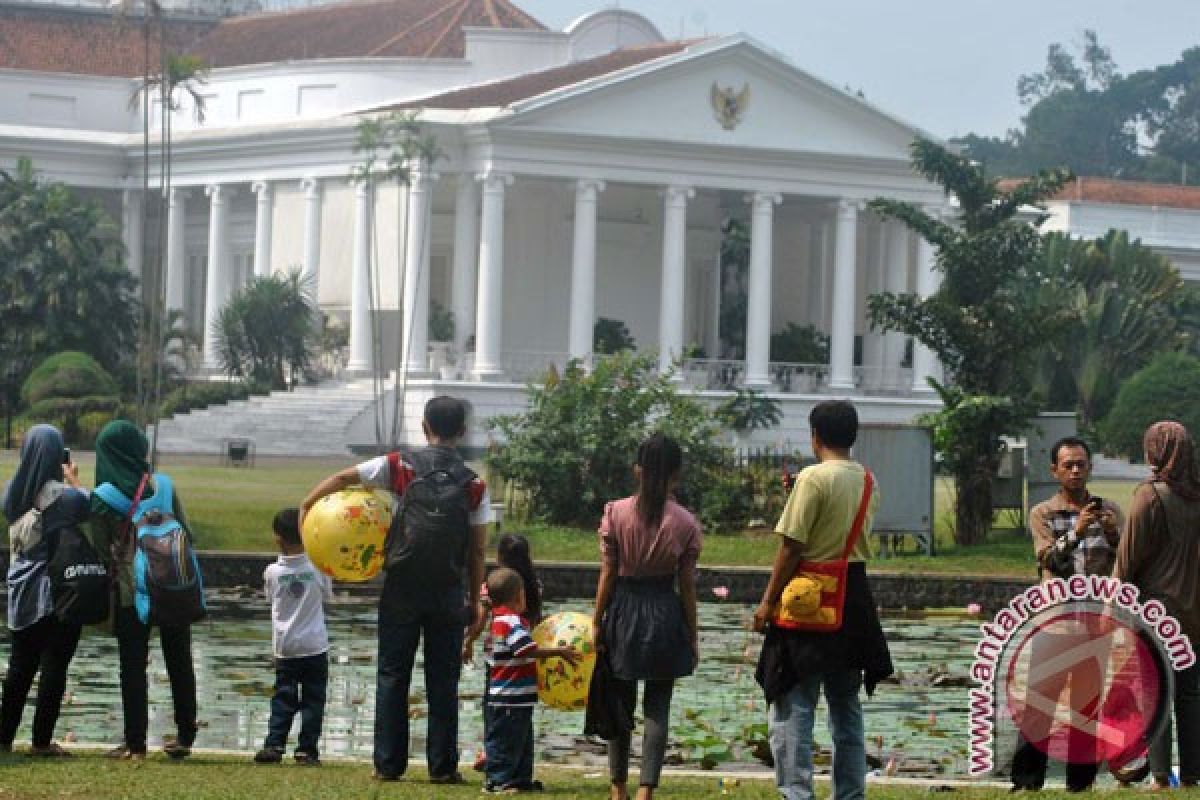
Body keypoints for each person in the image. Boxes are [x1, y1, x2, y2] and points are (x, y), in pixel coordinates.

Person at [300, 395, 491, 783]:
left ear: (424, 427)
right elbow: (477, 550)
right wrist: (474, 600)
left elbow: (342, 479)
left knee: (392, 673)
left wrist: (308, 505)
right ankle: (442, 767)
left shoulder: (398, 466)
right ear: (463, 432)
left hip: (402, 586)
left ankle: (388, 765)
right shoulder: (475, 485)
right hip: (447, 590)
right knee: (443, 679)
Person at [752, 400, 892, 800]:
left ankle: (797, 793)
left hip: (808, 599)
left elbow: (792, 547)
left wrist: (766, 603)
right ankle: (850, 793)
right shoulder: (868, 479)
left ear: (815, 435)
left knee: (794, 702)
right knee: (845, 704)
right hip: (853, 600)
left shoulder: (812, 479)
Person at [592, 433, 701, 800]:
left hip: (623, 608)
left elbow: (608, 573)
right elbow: (686, 586)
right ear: (677, 473)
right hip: (664, 610)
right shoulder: (685, 523)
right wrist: (692, 631)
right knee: (658, 706)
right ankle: (646, 790)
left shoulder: (615, 512)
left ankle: (617, 786)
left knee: (619, 701)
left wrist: (597, 620)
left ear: (637, 471)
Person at [1011, 436, 1123, 792]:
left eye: (1081, 465)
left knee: (1086, 706)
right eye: (1068, 465)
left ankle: (1081, 784)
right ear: (1055, 471)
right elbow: (1049, 561)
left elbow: (1125, 562)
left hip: (1095, 623)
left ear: (1090, 468)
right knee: (1039, 701)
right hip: (1056, 622)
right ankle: (1027, 782)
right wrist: (1075, 531)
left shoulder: (1111, 512)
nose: (1076, 471)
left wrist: (1111, 533)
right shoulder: (1043, 513)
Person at [89, 420, 198, 761]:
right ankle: (184, 735)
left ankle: (135, 744)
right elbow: (187, 533)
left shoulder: (104, 497)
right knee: (179, 658)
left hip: (130, 590)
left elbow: (99, 547)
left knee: (133, 665)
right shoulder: (164, 486)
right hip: (173, 584)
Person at [1114, 421, 1200, 790]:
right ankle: (1194, 775)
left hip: (1157, 613)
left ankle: (1162, 777)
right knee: (1191, 693)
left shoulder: (1150, 496)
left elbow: (1127, 560)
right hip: (1196, 612)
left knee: (1157, 692)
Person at [0, 425, 86, 756]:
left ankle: (5, 737)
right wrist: (74, 479)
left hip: (21, 592)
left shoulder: (12, 492)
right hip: (58, 592)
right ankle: (40, 741)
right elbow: (91, 504)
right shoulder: (64, 497)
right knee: (54, 666)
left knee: (20, 666)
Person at [480, 567, 579, 794]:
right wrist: (557, 652)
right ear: (518, 596)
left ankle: (520, 778)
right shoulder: (510, 621)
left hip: (517, 698)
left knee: (522, 740)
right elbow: (524, 650)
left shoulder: (502, 620)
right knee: (505, 741)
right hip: (508, 697)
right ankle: (496, 780)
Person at [254, 508, 333, 766]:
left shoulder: (272, 572)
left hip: (286, 647)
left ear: (278, 538)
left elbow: (270, 599)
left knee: (283, 697)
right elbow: (328, 596)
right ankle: (307, 749)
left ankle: (275, 743)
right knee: (313, 699)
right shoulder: (319, 568)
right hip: (314, 647)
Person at [463, 533, 545, 772]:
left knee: (494, 709)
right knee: (520, 712)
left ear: (500, 557)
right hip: (525, 654)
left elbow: (481, 620)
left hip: (498, 656)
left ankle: (492, 753)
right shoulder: (533, 584)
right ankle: (514, 760)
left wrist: (469, 641)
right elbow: (537, 621)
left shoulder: (493, 585)